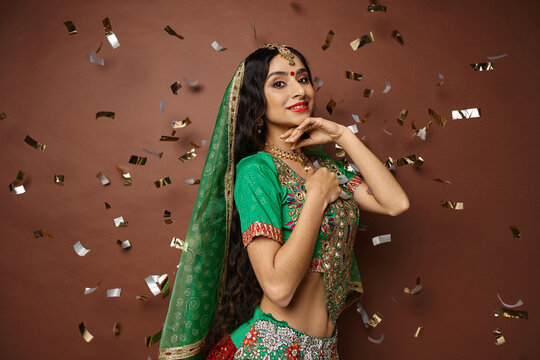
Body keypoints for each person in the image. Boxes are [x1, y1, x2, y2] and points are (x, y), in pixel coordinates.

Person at [158, 44, 409, 360]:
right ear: (257, 100)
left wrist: (343, 136)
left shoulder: (326, 166)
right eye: (279, 83)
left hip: (325, 351)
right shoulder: (256, 171)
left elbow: (395, 203)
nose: (299, 91)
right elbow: (278, 288)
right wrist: (316, 198)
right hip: (269, 350)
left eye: (303, 79)